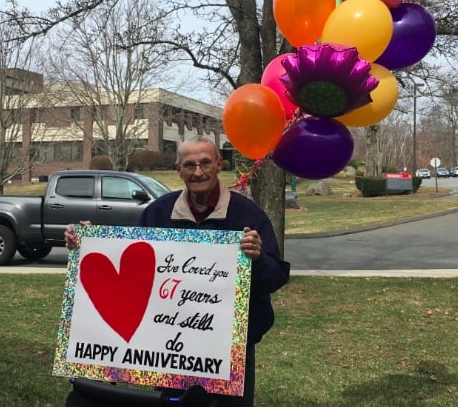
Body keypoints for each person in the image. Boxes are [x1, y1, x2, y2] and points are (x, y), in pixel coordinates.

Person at [65, 135, 290, 406]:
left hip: (229, 349)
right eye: (189, 165)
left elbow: (276, 276)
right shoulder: (158, 213)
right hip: (167, 346)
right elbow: (129, 266)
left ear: (219, 164)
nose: (198, 172)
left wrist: (256, 259)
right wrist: (88, 244)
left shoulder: (246, 214)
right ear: (178, 169)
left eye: (205, 163)